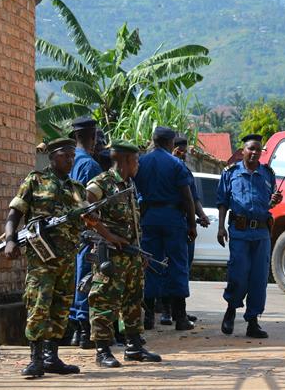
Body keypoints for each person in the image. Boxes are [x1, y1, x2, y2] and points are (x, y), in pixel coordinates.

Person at [3, 138, 88, 377]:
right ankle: (35, 359)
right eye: (64, 155)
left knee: (60, 309)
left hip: (67, 259)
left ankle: (52, 358)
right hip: (42, 259)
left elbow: (86, 222)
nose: (69, 160)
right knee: (39, 306)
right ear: (52, 157)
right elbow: (14, 214)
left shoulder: (77, 189)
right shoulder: (35, 180)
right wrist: (10, 240)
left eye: (72, 156)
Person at [85, 140, 162, 368]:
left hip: (131, 255)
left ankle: (134, 347)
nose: (138, 164)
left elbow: (133, 222)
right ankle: (102, 350)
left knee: (133, 301)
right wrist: (108, 236)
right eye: (136, 159)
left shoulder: (129, 184)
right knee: (103, 301)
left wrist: (140, 252)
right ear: (126, 160)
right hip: (109, 255)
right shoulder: (102, 183)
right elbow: (86, 212)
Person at [216, 134, 282, 338]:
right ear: (242, 150)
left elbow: (268, 203)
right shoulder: (231, 173)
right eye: (250, 148)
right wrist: (220, 227)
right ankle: (231, 309)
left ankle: (252, 321)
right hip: (239, 232)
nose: (254, 152)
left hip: (261, 232)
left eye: (258, 149)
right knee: (238, 274)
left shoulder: (267, 173)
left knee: (259, 278)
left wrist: (275, 201)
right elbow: (222, 202)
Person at [133, 126, 197, 331]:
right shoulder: (176, 163)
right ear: (170, 142)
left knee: (150, 263)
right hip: (172, 219)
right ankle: (180, 317)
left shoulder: (140, 162)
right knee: (177, 265)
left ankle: (149, 316)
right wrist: (192, 224)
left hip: (148, 218)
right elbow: (187, 197)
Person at [158, 136, 210, 325]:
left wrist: (201, 216)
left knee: (182, 269)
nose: (182, 154)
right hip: (171, 224)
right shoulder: (164, 169)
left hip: (183, 223)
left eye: (184, 151)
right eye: (178, 150)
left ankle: (180, 311)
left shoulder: (185, 171)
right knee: (166, 267)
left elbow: (193, 198)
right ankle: (165, 311)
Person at [67, 116, 103, 349]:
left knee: (74, 277)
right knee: (86, 277)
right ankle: (83, 330)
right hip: (86, 231)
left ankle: (74, 330)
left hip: (68, 231)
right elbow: (94, 205)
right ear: (92, 137)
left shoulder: (67, 161)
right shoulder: (90, 165)